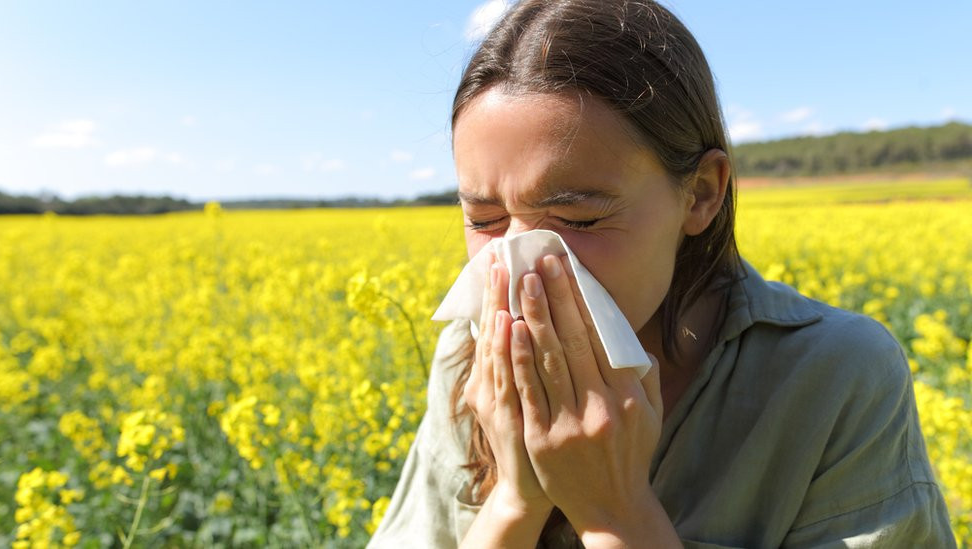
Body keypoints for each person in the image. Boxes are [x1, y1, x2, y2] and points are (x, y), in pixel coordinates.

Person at [368, 0, 956, 547]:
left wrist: (615, 511)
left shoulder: (834, 377)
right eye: (485, 219)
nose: (524, 270)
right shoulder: (467, 359)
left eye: (578, 218)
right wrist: (514, 503)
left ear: (700, 193)